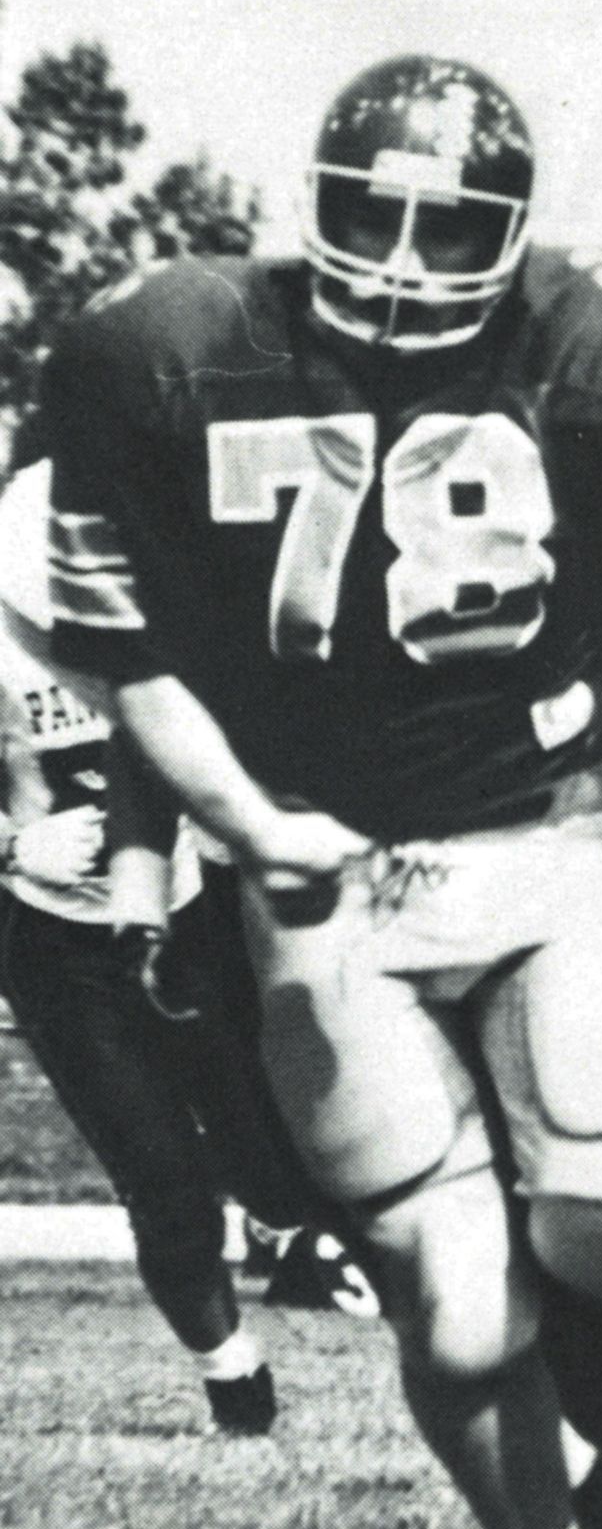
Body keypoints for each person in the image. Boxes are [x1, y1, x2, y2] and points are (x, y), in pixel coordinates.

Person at [40, 54, 602, 1529]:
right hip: (322, 869)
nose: (401, 265)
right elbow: (127, 664)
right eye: (370, 218)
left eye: (445, 227)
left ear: (512, 236)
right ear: (311, 209)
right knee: (455, 1312)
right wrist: (246, 824)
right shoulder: (165, 352)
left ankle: (566, 1278)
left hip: (544, 829)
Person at [0, 456, 341, 1433]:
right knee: (165, 1183)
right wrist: (15, 843)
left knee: (273, 1161)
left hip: (185, 914)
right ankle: (233, 1377)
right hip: (53, 939)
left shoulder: (179, 618)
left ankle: (289, 1238)